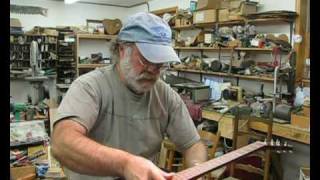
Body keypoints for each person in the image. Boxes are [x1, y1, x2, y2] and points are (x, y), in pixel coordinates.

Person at [51, 12, 207, 180]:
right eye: (146, 60)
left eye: (160, 63)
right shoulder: (90, 87)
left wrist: (195, 170)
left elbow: (193, 145)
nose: (154, 70)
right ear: (122, 50)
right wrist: (125, 164)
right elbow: (62, 144)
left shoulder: (166, 95)